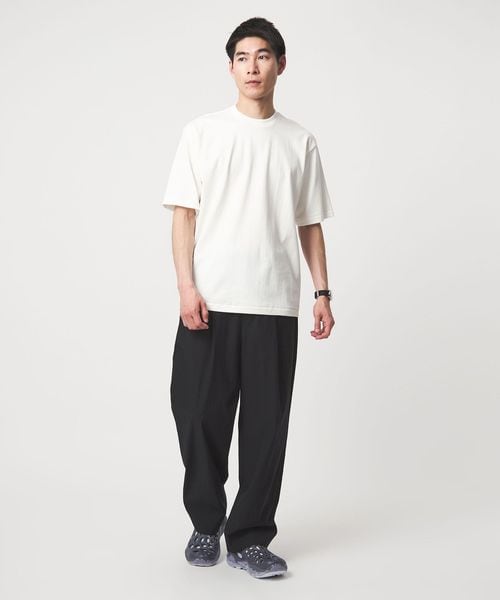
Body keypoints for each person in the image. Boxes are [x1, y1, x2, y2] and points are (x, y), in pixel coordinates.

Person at [161, 16, 335, 579]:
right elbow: (184, 216)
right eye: (242, 57)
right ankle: (205, 522)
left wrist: (322, 292)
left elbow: (310, 223)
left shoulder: (299, 141)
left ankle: (251, 537)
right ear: (231, 67)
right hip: (209, 304)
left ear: (280, 65)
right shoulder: (203, 133)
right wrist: (186, 287)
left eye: (262, 56)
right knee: (196, 416)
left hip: (273, 304)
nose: (252, 66)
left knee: (265, 429)